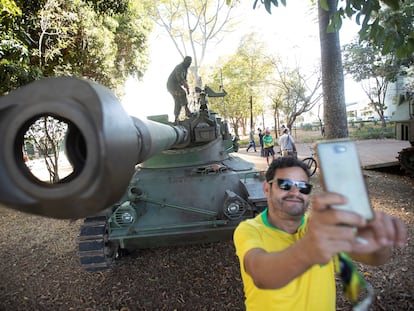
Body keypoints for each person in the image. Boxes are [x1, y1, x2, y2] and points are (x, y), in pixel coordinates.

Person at [233, 157, 407, 311]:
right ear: (266, 188)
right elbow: (261, 274)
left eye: (303, 187)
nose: (295, 192)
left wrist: (380, 242)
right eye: (285, 185)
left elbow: (375, 258)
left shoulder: (319, 226)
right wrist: (310, 248)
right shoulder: (249, 230)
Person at [167, 56, 192, 123]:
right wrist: (185, 86)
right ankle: (187, 110)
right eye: (188, 62)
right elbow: (180, 78)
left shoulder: (185, 69)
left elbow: (185, 80)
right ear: (185, 61)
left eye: (190, 63)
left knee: (178, 101)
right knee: (182, 93)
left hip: (177, 85)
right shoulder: (179, 67)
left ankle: (176, 118)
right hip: (172, 85)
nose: (189, 64)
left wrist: (187, 88)